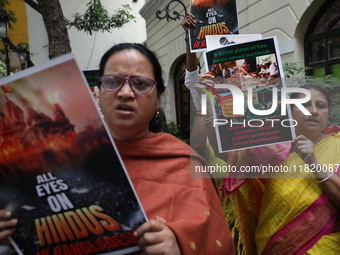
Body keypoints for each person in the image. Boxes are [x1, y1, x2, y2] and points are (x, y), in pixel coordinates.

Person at [0, 43, 235, 255]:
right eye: (112, 82)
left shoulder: (184, 162)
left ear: (158, 99)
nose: (125, 93)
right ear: (98, 93)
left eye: (140, 84)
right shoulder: (63, 158)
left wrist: (178, 243)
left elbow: (215, 240)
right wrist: (16, 234)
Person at [217, 85, 340, 254]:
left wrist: (313, 162)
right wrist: (204, 98)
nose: (313, 111)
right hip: (275, 245)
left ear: (328, 113)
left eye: (321, 106)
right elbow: (225, 152)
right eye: (305, 105)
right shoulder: (269, 148)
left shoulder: (337, 146)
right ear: (289, 111)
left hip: (325, 245)